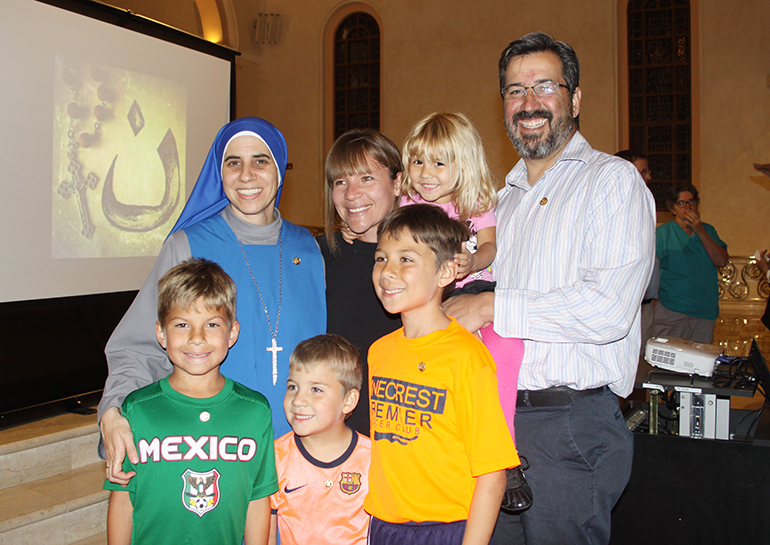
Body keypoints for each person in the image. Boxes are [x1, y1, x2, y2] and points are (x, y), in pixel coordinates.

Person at [443, 32, 655, 545]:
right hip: (497, 424)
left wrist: (489, 305)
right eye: (515, 91)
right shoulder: (500, 203)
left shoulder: (613, 181)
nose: (529, 103)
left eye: (544, 86)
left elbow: (607, 310)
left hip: (569, 425)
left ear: (575, 99)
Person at [99, 117, 326, 484]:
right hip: (214, 450)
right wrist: (113, 410)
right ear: (219, 174)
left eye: (261, 161)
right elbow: (138, 347)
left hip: (302, 451)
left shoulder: (310, 250)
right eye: (233, 162)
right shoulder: (187, 246)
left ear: (280, 171)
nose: (247, 174)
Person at [366, 204, 521, 545]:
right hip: (385, 525)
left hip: (446, 529)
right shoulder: (379, 352)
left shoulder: (466, 356)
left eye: (406, 259)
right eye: (381, 258)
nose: (388, 271)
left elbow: (492, 475)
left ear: (445, 271)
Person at [104, 258, 277, 545]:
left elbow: (258, 499)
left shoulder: (254, 411)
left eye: (211, 324)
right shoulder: (137, 410)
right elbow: (123, 499)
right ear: (161, 333)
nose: (197, 338)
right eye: (182, 324)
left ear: (232, 332)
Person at [400, 112, 525, 446]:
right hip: (431, 295)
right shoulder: (408, 205)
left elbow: (489, 247)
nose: (426, 174)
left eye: (439, 164)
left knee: (506, 344)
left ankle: (501, 438)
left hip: (476, 285)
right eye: (418, 161)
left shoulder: (474, 203)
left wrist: (472, 262)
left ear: (464, 165)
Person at [317, 129, 404, 436]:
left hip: (404, 434)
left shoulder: (425, 259)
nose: (351, 193)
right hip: (334, 438)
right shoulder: (316, 257)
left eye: (366, 178)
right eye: (341, 182)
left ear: (397, 183)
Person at [269, 334, 371, 545]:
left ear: (349, 400)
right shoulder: (275, 458)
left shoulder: (373, 458)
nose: (298, 400)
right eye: (293, 387)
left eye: (316, 390)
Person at [654, 182, 728, 343]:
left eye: (692, 201)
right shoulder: (662, 233)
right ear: (673, 208)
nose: (688, 206)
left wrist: (699, 230)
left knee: (697, 361)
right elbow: (651, 270)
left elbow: (721, 260)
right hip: (672, 308)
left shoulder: (708, 230)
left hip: (704, 309)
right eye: (682, 203)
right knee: (666, 359)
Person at [615, 149, 660, 353]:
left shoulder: (645, 201)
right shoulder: (613, 208)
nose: (649, 176)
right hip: (621, 307)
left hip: (645, 305)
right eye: (643, 171)